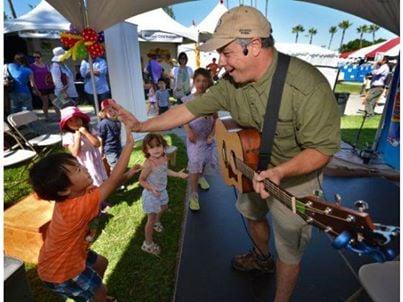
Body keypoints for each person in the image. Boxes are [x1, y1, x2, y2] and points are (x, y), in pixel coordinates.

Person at [110, 6, 340, 302]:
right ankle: (261, 256)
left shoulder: (307, 86)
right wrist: (141, 125)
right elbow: (186, 110)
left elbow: (321, 150)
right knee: (251, 213)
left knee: (289, 248)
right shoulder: (230, 84)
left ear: (254, 46)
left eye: (226, 52)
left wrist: (280, 172)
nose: (220, 62)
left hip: (294, 177)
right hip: (250, 164)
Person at [28, 123, 137, 302]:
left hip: (73, 254)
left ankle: (93, 294)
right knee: (100, 291)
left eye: (79, 165)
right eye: (77, 169)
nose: (84, 168)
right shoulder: (75, 207)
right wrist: (129, 145)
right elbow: (113, 180)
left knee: (101, 264)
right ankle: (96, 295)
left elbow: (109, 185)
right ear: (64, 190)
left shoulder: (81, 192)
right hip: (60, 270)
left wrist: (130, 173)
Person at [139, 133, 188, 255]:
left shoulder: (164, 157)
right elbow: (141, 180)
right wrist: (151, 188)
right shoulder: (149, 163)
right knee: (150, 218)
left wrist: (178, 174)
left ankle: (157, 221)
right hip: (151, 194)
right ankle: (148, 243)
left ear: (163, 146)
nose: (155, 149)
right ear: (146, 150)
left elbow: (165, 171)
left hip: (162, 190)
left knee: (164, 207)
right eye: (151, 147)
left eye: (158, 145)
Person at [182, 68, 218, 211]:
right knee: (195, 162)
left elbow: (215, 119)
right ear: (194, 81)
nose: (201, 84)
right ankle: (193, 194)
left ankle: (201, 176)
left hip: (206, 138)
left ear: (208, 81)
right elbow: (183, 118)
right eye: (198, 81)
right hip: (194, 138)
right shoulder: (188, 100)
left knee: (203, 162)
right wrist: (188, 130)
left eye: (204, 81)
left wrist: (212, 134)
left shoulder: (211, 99)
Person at [60, 106, 108, 187]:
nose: (75, 122)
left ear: (81, 119)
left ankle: (104, 194)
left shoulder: (89, 130)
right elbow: (75, 153)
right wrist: (77, 137)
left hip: (96, 160)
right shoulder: (68, 136)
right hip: (86, 163)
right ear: (66, 124)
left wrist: (86, 133)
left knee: (101, 177)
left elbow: (97, 144)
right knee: (93, 180)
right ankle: (98, 198)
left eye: (77, 119)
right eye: (70, 121)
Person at [97, 99, 122, 171]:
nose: (113, 112)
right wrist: (100, 150)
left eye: (114, 109)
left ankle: (120, 176)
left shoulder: (117, 120)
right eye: (109, 111)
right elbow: (100, 138)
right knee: (115, 166)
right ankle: (116, 180)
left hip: (118, 147)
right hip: (110, 150)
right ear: (104, 113)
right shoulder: (104, 123)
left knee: (120, 163)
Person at [30, 51, 56, 120]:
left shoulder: (46, 65)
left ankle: (60, 116)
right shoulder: (32, 66)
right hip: (40, 88)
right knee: (45, 103)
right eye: (34, 57)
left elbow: (50, 75)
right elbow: (32, 79)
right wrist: (35, 89)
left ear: (41, 57)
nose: (36, 58)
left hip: (50, 86)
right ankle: (46, 117)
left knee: (55, 102)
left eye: (37, 57)